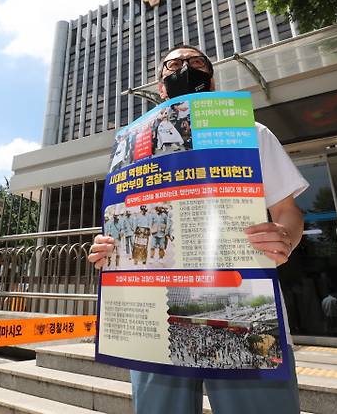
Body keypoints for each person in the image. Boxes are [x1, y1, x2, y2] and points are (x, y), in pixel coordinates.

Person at [88, 44, 308, 414]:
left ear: (211, 76)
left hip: (242, 300)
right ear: (161, 87)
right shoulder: (132, 150)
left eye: (195, 62)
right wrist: (109, 249)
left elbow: (289, 211)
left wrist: (285, 236)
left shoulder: (251, 132)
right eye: (173, 65)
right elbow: (121, 219)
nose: (184, 68)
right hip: (153, 312)